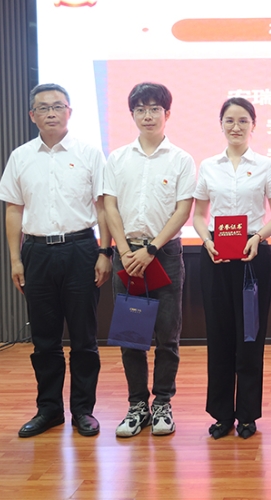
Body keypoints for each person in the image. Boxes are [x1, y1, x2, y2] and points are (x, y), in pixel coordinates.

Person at [0, 83, 113, 438]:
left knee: (84, 338)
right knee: (45, 340)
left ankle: (83, 411)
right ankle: (49, 410)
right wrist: (16, 259)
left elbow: (103, 207)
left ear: (69, 112)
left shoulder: (89, 154)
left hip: (81, 250)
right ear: (32, 115)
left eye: (58, 106)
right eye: (43, 108)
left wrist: (105, 252)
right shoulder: (20, 156)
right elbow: (13, 210)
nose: (51, 113)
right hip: (37, 253)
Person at [104, 83, 196, 438]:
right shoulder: (118, 158)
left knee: (167, 336)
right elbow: (110, 205)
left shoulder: (181, 159)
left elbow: (183, 209)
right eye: (140, 109)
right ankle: (137, 405)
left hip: (165, 254)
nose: (147, 115)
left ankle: (162, 404)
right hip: (126, 256)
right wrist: (125, 251)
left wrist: (152, 249)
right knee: (131, 335)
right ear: (132, 115)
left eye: (154, 108)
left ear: (166, 113)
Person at [192, 97, 271, 440]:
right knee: (218, 336)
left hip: (252, 255)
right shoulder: (208, 166)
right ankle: (221, 414)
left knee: (250, 336)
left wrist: (258, 237)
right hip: (215, 254)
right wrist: (206, 240)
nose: (236, 126)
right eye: (230, 120)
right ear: (221, 125)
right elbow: (199, 215)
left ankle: (247, 414)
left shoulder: (265, 165)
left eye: (243, 120)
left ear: (253, 125)